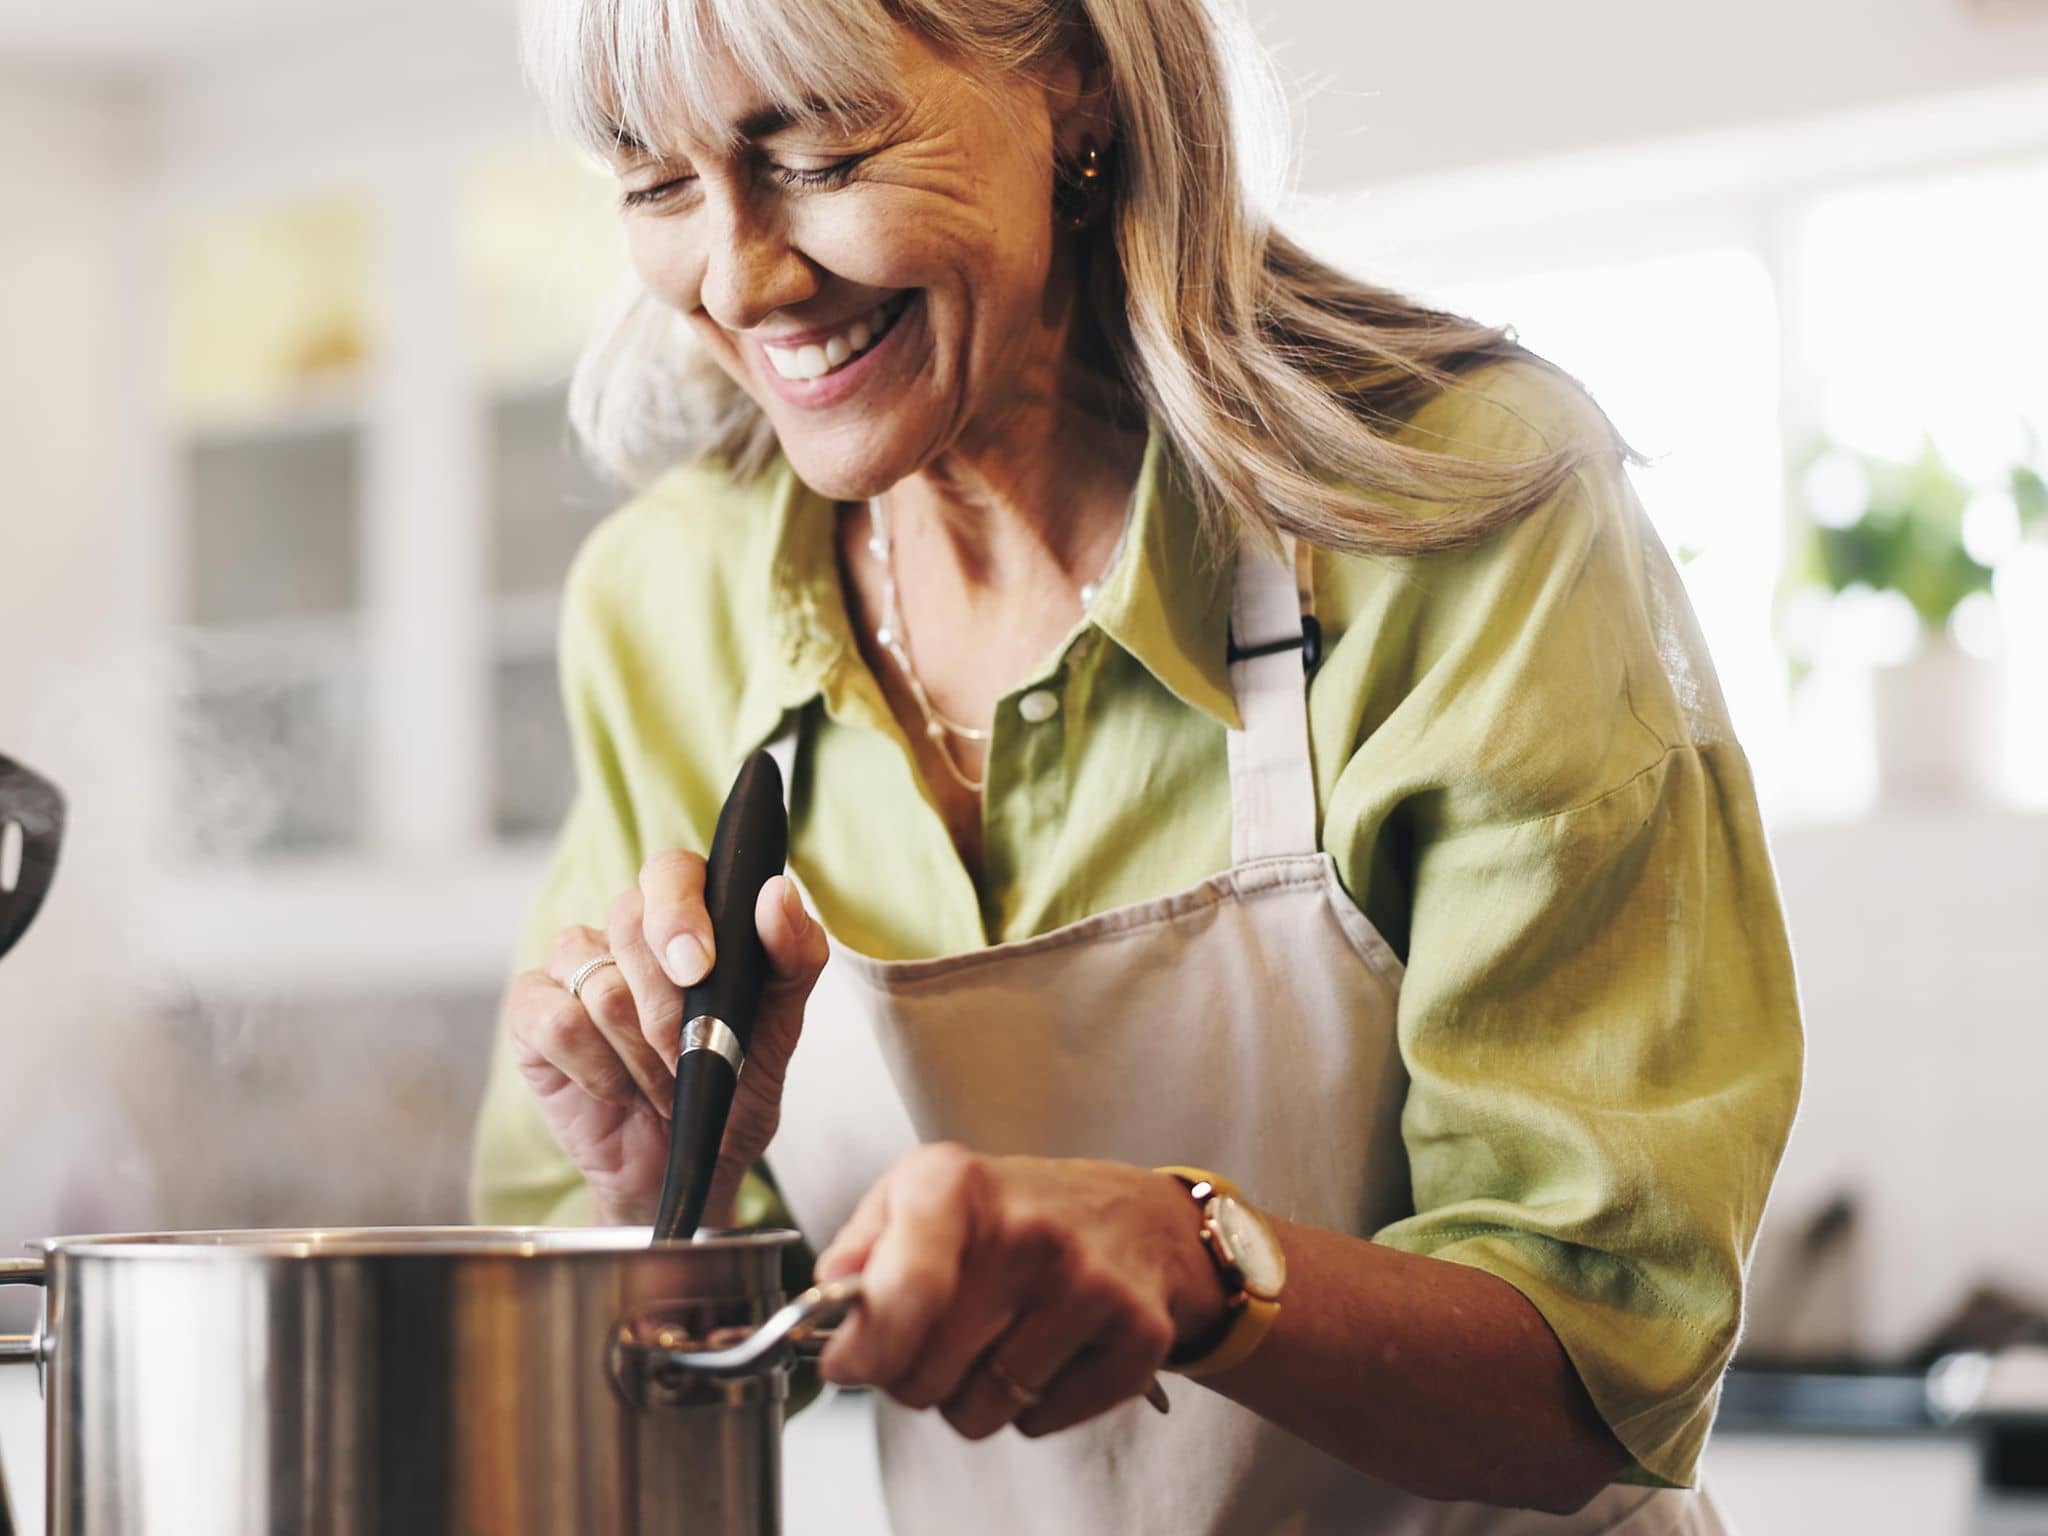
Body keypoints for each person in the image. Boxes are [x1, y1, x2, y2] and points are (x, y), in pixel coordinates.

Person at [470, 0, 1803, 1530]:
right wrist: (665, 1205)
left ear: (1078, 87)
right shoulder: (668, 602)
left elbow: (1603, 1367)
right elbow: (618, 1359)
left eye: (824, 152)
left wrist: (1199, 1257)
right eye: (655, 185)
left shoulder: (1468, 509)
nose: (740, 275)